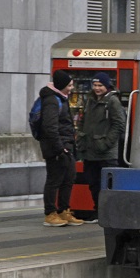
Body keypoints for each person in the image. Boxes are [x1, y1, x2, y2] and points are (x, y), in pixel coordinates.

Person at [78, 72, 126, 223]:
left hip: (106, 152)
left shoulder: (112, 101)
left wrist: (106, 143)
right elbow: (83, 120)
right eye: (95, 85)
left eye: (100, 85)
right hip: (90, 149)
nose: (97, 88)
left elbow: (119, 124)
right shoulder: (89, 100)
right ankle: (97, 210)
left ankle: (107, 212)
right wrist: (81, 135)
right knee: (93, 182)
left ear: (106, 86)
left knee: (107, 184)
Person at [40, 69, 84, 226]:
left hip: (66, 144)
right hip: (56, 148)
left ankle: (64, 210)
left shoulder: (61, 98)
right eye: (70, 85)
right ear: (61, 85)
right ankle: (50, 213)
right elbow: (50, 127)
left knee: (69, 178)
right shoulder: (52, 100)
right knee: (54, 180)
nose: (72, 88)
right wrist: (60, 148)